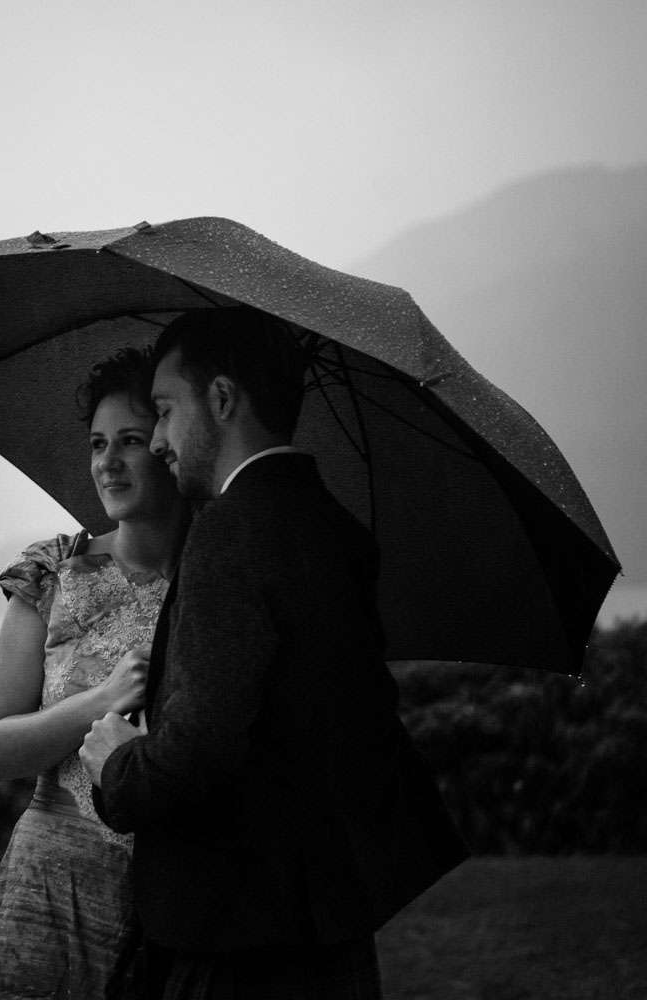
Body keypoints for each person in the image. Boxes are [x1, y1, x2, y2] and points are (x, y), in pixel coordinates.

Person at [81, 307, 468, 999]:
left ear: (222, 398)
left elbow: (199, 749)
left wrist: (116, 763)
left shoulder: (230, 531)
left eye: (165, 411)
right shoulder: (333, 526)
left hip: (240, 938)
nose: (160, 440)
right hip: (327, 923)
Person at [0, 346, 190, 999]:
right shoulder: (53, 574)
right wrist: (102, 699)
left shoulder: (214, 584)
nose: (107, 462)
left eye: (130, 440)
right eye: (98, 443)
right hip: (50, 886)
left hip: (171, 893)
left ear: (171, 444)